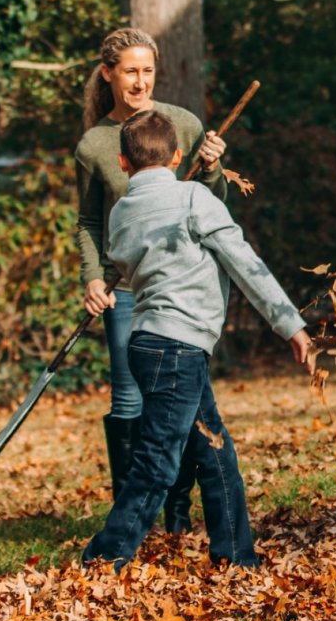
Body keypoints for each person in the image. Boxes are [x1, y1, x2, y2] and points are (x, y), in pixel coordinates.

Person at [82, 109, 314, 569]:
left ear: (123, 163)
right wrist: (290, 322)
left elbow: (122, 264)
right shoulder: (193, 198)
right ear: (177, 155)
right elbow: (242, 260)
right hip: (177, 346)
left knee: (214, 451)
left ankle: (235, 557)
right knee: (158, 462)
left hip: (148, 344)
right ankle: (105, 557)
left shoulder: (121, 212)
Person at [75, 27, 229, 533]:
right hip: (122, 289)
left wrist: (211, 168)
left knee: (179, 400)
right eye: (129, 72)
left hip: (177, 287)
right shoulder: (95, 144)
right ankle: (132, 518)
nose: (139, 82)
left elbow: (212, 203)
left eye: (147, 71)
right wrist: (92, 278)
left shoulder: (181, 124)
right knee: (128, 400)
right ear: (109, 74)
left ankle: (177, 513)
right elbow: (90, 222)